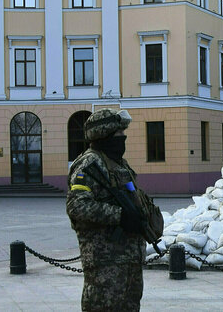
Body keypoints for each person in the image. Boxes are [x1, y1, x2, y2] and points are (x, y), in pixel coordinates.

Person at [66, 108, 147, 311]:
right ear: (106, 136)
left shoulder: (118, 164)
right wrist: (120, 216)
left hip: (128, 261)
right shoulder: (89, 165)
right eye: (119, 134)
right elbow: (77, 205)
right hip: (105, 262)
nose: (123, 138)